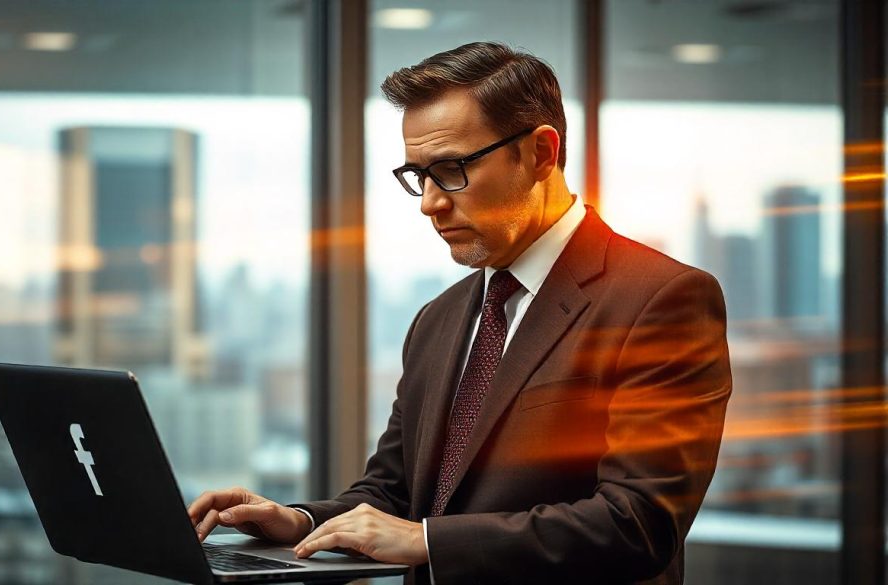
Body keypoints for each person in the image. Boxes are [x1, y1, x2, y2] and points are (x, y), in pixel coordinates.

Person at [188, 41, 732, 585]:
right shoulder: (438, 319)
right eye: (418, 175)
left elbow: (638, 524)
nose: (429, 202)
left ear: (542, 153)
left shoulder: (662, 299)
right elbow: (395, 493)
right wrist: (298, 520)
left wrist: (427, 541)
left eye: (451, 169)